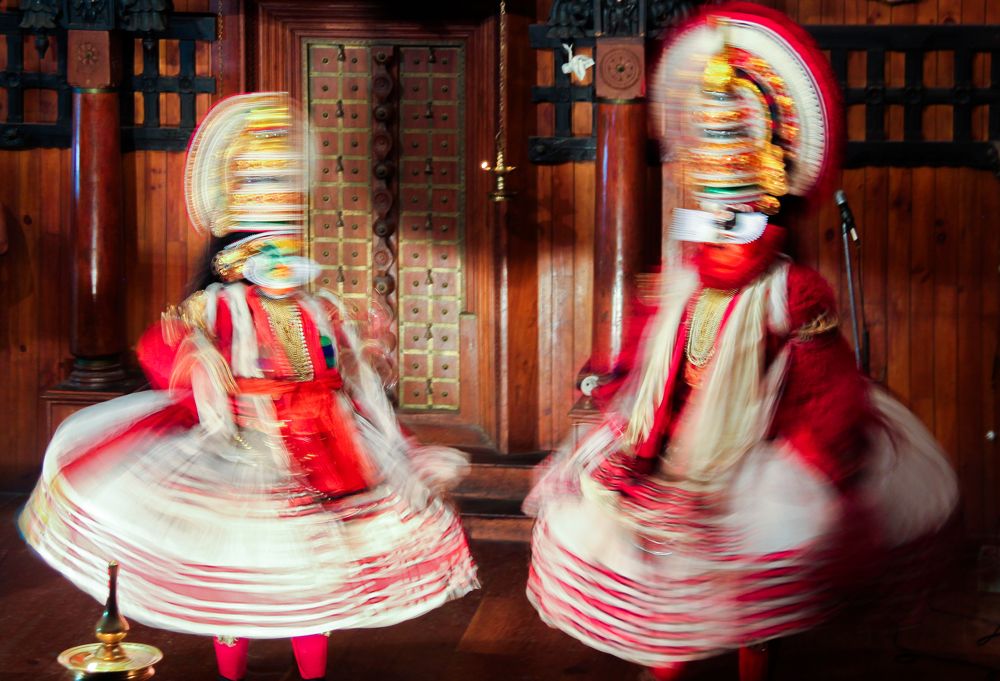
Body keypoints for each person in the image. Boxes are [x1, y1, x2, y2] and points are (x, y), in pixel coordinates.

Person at [524, 5, 958, 680]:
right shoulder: (681, 280)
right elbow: (644, 358)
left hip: (757, 455)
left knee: (750, 602)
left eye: (740, 214)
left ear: (767, 201)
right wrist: (614, 391)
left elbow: (827, 388)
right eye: (712, 212)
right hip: (673, 449)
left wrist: (817, 457)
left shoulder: (793, 291)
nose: (724, 231)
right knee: (659, 587)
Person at [19, 93, 478, 681]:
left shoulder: (323, 307)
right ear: (237, 257)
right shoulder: (218, 307)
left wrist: (371, 358)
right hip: (246, 448)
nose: (281, 264)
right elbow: (162, 351)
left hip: (327, 451)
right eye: (265, 252)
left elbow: (346, 377)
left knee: (315, 579)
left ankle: (312, 672)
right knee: (237, 575)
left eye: (286, 250)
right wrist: (196, 358)